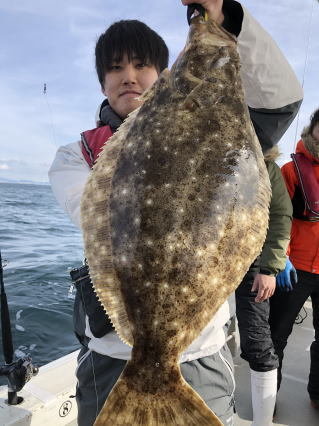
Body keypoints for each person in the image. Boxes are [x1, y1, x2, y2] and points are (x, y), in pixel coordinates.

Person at [49, 1, 303, 424]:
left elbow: (280, 101)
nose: (129, 76)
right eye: (115, 69)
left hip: (201, 354)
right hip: (109, 357)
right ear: (102, 82)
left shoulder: (226, 136)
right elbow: (94, 215)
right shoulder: (77, 154)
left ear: (164, 75)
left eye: (142, 66)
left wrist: (225, 18)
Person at [235, 146, 293, 426]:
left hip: (251, 265)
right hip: (201, 264)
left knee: (259, 343)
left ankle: (262, 421)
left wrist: (270, 268)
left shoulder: (267, 166)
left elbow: (280, 216)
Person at [270, 108, 319, 410]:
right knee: (278, 335)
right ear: (312, 129)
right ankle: (269, 396)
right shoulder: (290, 170)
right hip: (295, 269)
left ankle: (317, 393)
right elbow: (278, 219)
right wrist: (281, 259)